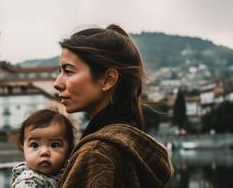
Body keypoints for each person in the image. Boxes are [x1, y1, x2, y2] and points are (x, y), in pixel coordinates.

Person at [53, 24, 174, 188]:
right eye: (60, 71)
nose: (57, 83)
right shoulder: (129, 143)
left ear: (108, 80)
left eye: (68, 71)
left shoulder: (96, 153)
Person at [11, 109, 75, 188]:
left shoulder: (69, 171)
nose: (44, 152)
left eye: (54, 145)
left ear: (69, 149)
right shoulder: (28, 182)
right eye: (35, 145)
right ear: (23, 147)